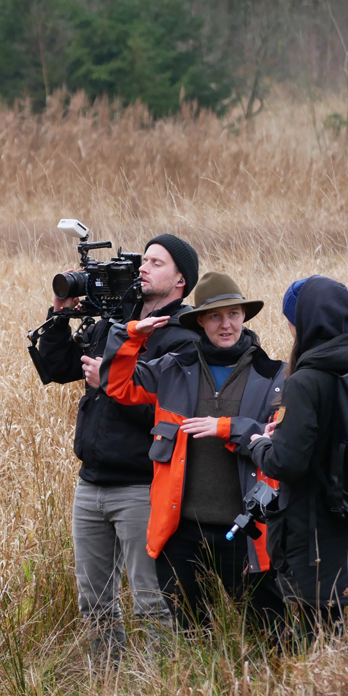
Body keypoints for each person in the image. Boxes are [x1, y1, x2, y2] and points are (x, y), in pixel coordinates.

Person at [34, 234, 199, 662]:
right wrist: (60, 316)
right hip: (91, 483)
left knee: (151, 602)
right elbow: (57, 368)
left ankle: (159, 686)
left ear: (180, 280)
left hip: (143, 486)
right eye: (144, 260)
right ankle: (107, 683)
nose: (144, 267)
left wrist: (110, 381)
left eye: (157, 263)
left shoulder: (183, 336)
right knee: (94, 602)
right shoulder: (116, 322)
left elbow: (170, 416)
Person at [100, 272, 286, 634]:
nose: (226, 324)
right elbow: (116, 384)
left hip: (248, 533)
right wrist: (132, 334)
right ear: (200, 321)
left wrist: (228, 427)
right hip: (181, 535)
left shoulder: (274, 376)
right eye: (215, 316)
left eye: (233, 314)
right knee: (192, 637)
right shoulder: (174, 368)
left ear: (244, 317)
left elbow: (280, 443)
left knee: (268, 635)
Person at [249, 276, 348, 641]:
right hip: (344, 525)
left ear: (301, 323)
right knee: (333, 633)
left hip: (308, 533)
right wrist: (286, 434)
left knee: (312, 639)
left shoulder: (305, 381)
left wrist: (259, 444)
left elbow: (286, 464)